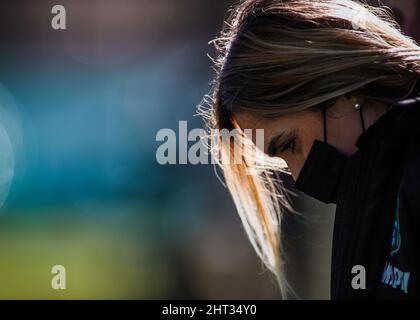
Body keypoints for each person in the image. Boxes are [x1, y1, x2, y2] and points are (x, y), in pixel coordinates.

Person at [202, 0, 420, 299]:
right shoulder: (378, 184)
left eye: (289, 143)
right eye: (281, 160)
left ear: (341, 87)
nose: (300, 175)